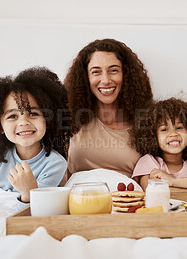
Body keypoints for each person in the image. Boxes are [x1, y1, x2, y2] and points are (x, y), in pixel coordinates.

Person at [0, 67, 72, 202]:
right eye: (12, 116)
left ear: (48, 121)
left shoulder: (54, 163)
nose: (24, 122)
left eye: (33, 114)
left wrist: (29, 192)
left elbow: (38, 210)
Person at [63, 39, 153, 180]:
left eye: (113, 70)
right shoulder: (70, 119)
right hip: (78, 199)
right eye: (96, 72)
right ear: (85, 77)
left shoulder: (145, 121)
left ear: (126, 75)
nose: (105, 80)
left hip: (127, 199)